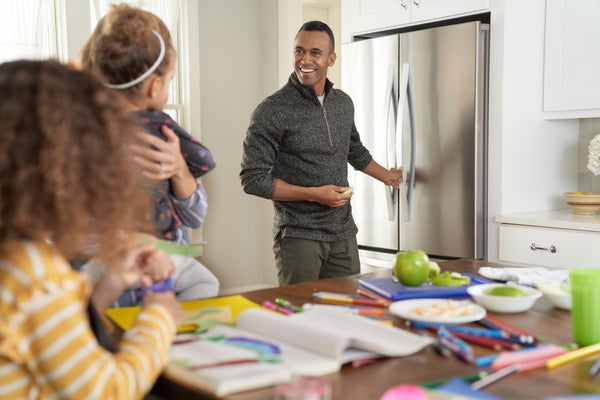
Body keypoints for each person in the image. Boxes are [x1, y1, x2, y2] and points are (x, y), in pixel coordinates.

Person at [0, 59, 182, 399]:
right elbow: (108, 390)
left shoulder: (14, 251)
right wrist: (159, 318)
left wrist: (107, 286)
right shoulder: (34, 274)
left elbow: (48, 343)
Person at [240, 21, 402, 285]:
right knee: (302, 317)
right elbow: (253, 179)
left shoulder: (343, 103)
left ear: (331, 59)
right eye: (299, 51)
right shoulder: (272, 110)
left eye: (315, 52)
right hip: (299, 235)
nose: (305, 59)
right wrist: (314, 195)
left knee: (347, 312)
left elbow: (353, 150)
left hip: (343, 233)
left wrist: (388, 177)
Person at [79, 3, 219, 304]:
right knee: (203, 285)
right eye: (169, 80)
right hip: (131, 269)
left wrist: (179, 169)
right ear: (155, 86)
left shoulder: (164, 137)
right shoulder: (83, 133)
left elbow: (195, 218)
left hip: (148, 273)